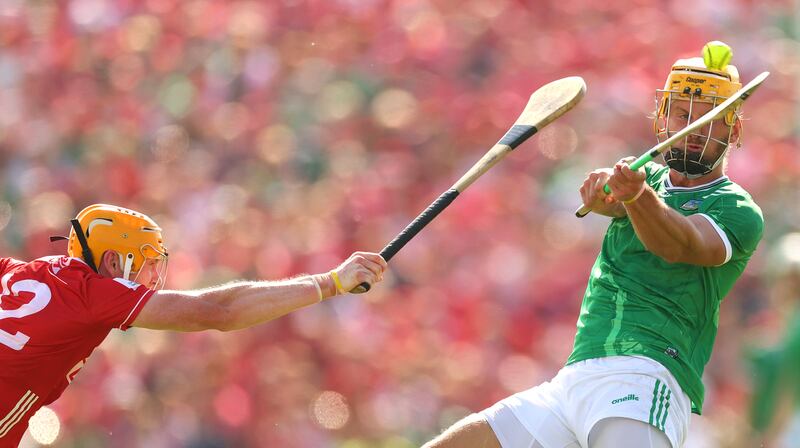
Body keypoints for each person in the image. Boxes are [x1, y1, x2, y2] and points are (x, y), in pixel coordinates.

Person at [422, 42, 763, 448]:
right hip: (574, 378)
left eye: (710, 119)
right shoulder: (644, 180)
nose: (694, 129)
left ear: (734, 131)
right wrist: (608, 196)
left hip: (646, 375)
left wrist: (635, 198)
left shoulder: (737, 208)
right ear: (663, 119)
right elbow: (619, 200)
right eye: (683, 115)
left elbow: (680, 244)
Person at [0, 203, 387, 446]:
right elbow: (217, 311)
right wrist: (329, 283)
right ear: (114, 261)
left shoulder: (16, 271)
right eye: (146, 262)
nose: (151, 277)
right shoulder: (96, 293)